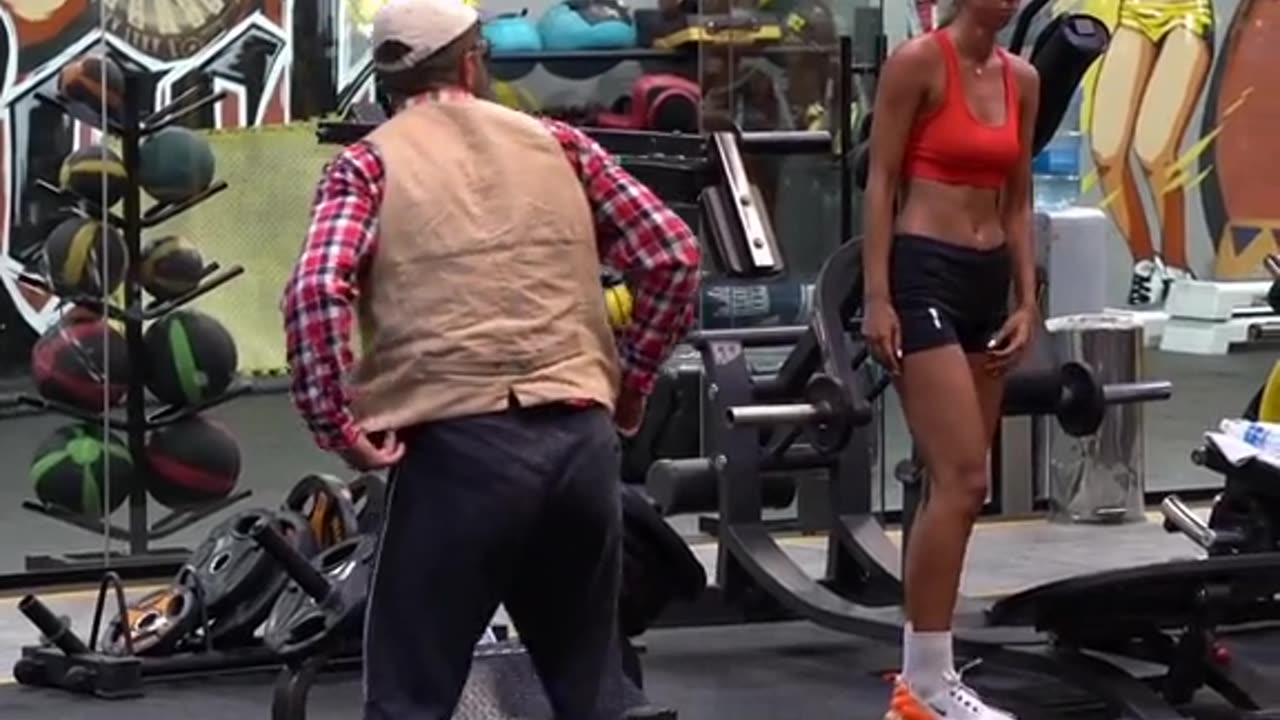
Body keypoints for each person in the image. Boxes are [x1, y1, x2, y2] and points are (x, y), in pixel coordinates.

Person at [279, 0, 701, 716]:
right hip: (579, 441)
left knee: (410, 690)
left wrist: (338, 428)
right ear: (474, 61)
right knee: (592, 682)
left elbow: (317, 291)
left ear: (388, 81)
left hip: (457, 451)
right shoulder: (558, 144)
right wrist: (628, 384)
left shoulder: (368, 166)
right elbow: (672, 257)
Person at [860, 0, 1039, 717]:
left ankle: (929, 678)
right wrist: (877, 295)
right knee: (960, 477)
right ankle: (924, 681)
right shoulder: (917, 63)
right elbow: (879, 181)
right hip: (923, 270)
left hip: (988, 279)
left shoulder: (1023, 78)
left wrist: (1028, 300)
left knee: (965, 485)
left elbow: (1018, 198)